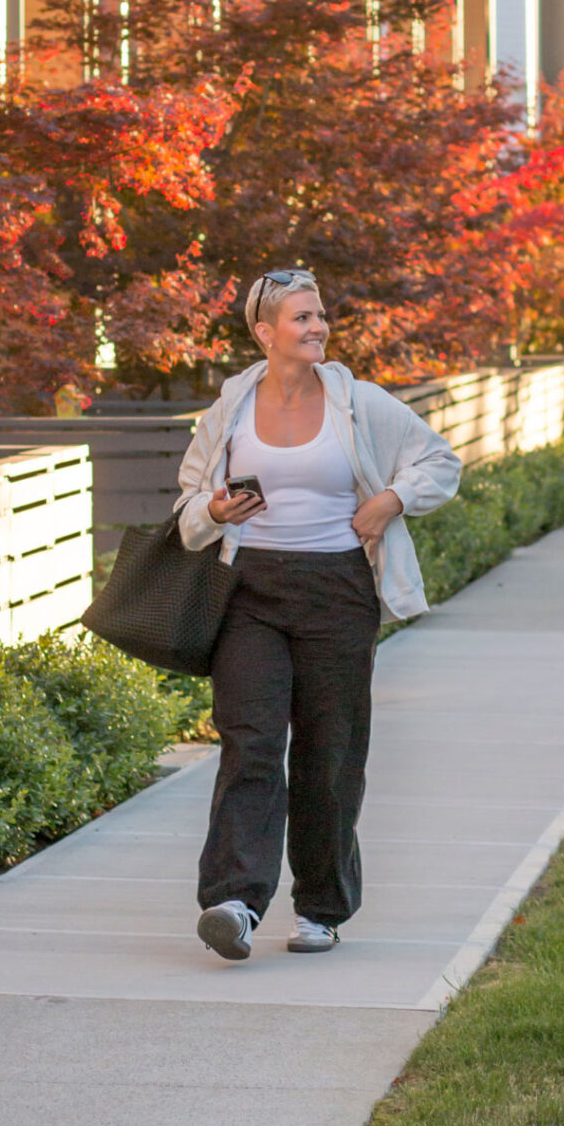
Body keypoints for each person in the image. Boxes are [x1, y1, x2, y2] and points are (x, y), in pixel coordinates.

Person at [175, 268, 461, 961]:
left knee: (328, 754)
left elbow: (439, 463)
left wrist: (390, 500)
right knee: (251, 742)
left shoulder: (361, 404)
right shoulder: (230, 413)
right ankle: (234, 903)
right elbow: (187, 504)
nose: (316, 328)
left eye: (320, 315)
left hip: (336, 590)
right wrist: (213, 511)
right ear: (264, 332)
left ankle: (321, 908)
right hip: (249, 594)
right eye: (300, 318)